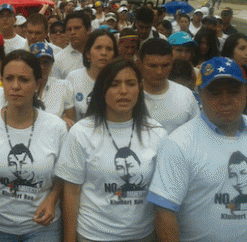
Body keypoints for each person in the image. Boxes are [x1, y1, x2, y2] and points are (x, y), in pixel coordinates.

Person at [55, 58, 167, 242]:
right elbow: (71, 193)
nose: (123, 91)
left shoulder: (156, 133)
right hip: (93, 234)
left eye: (130, 84)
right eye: (114, 85)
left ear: (139, 89)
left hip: (142, 235)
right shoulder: (82, 132)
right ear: (102, 90)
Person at [148, 57, 247, 241]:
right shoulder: (179, 143)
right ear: (199, 93)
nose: (225, 100)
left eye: (234, 92)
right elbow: (164, 214)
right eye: (215, 93)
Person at [0, 50, 67, 242]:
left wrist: (52, 198)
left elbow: (63, 176)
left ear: (37, 85)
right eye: (9, 79)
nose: (15, 86)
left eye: (24, 79)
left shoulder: (56, 127)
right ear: (2, 81)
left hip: (42, 227)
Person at [138, 38, 199, 134]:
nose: (159, 72)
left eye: (165, 65)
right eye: (153, 66)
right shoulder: (130, 95)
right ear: (140, 64)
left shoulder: (186, 95)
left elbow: (197, 132)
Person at [67, 29, 118, 121]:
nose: (104, 53)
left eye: (109, 49)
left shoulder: (119, 80)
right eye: (98, 48)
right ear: (87, 54)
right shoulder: (73, 78)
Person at [30, 42, 75, 127]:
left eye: (46, 62)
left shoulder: (63, 86)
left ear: (52, 64)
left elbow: (71, 123)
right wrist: (59, 121)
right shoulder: (22, 88)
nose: (42, 67)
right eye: (37, 62)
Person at [51, 12, 92, 79]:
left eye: (77, 28)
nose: (73, 32)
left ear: (88, 30)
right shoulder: (58, 59)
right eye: (69, 29)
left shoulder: (98, 53)